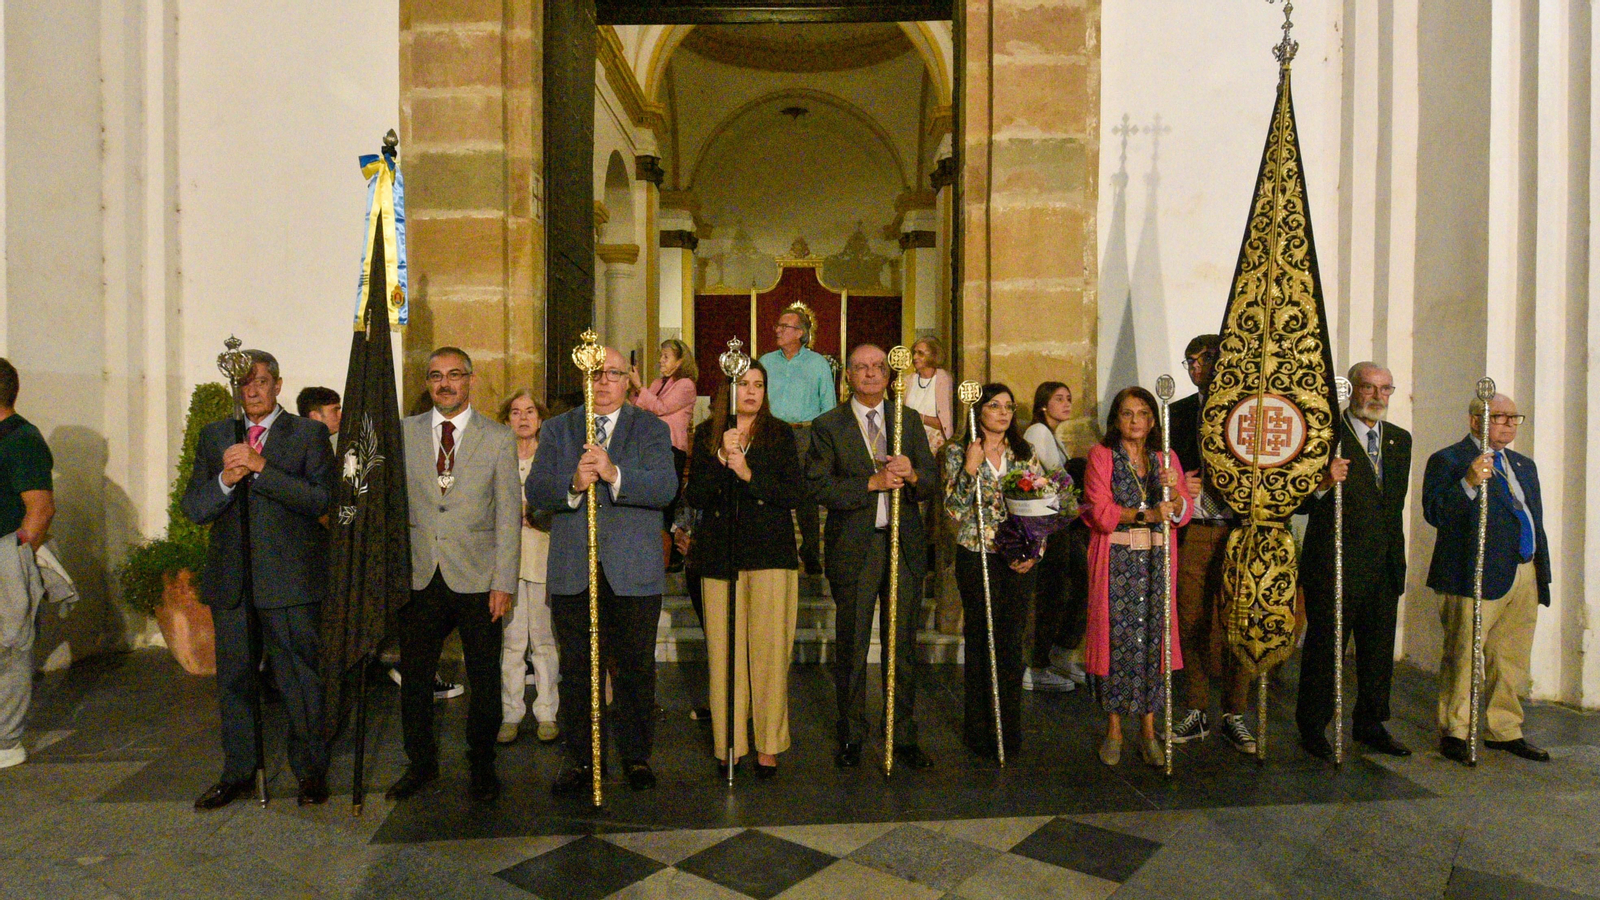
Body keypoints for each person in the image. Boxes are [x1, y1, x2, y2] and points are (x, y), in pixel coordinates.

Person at [180, 349, 335, 807]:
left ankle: (309, 772)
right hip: (234, 583)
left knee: (299, 680)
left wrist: (262, 468)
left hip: (289, 582)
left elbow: (320, 499)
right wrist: (227, 480)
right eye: (245, 383)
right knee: (235, 682)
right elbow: (194, 508)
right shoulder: (216, 437)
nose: (252, 390)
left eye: (261, 382)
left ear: (278, 386)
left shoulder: (307, 434)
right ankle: (239, 771)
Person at [527, 346, 678, 795]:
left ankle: (635, 755)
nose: (603, 381)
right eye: (595, 374)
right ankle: (581, 758)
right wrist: (573, 484)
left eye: (612, 373)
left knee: (634, 668)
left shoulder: (649, 427)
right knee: (576, 669)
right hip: (575, 569)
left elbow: (665, 486)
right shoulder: (558, 429)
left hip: (633, 571)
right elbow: (536, 491)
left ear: (628, 380)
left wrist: (614, 475)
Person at [387, 347, 521, 804]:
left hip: (479, 578)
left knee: (484, 677)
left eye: (454, 375)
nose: (445, 383)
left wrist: (504, 580)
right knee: (416, 678)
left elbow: (508, 514)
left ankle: (482, 765)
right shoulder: (402, 434)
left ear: (470, 380)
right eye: (435, 376)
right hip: (420, 575)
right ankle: (420, 763)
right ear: (427, 383)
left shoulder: (498, 438)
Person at [806, 343, 939, 771]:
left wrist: (913, 474)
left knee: (902, 645)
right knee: (853, 644)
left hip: (903, 546)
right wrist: (873, 482)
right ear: (847, 375)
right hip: (855, 547)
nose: (870, 374)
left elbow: (932, 482)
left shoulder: (909, 420)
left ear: (888, 373)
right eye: (860, 368)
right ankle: (851, 734)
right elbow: (819, 486)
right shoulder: (829, 424)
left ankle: (901, 734)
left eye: (877, 367)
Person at [685, 361, 804, 778]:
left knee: (770, 653)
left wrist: (748, 472)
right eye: (742, 384)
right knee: (725, 655)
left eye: (758, 384)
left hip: (770, 554)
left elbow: (792, 492)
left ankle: (769, 743)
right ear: (728, 390)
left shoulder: (780, 434)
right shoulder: (706, 434)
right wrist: (720, 457)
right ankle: (729, 742)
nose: (750, 392)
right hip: (721, 557)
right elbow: (696, 495)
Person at [1424, 391, 1551, 765]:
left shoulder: (1523, 465)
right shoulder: (1449, 459)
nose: (1510, 424)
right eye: (1500, 416)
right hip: (1471, 573)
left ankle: (1504, 729)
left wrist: (1540, 569)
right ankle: (1456, 730)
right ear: (1475, 420)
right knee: (1464, 654)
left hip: (1523, 570)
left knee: (1510, 657)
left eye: (1514, 418)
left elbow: (1531, 518)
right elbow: (1436, 512)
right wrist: (1467, 482)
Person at [1296, 362, 1413, 759]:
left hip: (1383, 563)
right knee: (1326, 648)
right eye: (1369, 388)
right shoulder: (1324, 439)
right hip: (1335, 562)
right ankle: (1313, 727)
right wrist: (1325, 483)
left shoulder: (1400, 440)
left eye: (1386, 389)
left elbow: (1390, 507)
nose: (1377, 397)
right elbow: (1299, 503)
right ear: (1352, 390)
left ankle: (1370, 722)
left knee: (1378, 649)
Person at [1080, 387, 1191, 768]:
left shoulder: (1165, 457)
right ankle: (1114, 730)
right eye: (1127, 414)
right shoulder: (1102, 455)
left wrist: (1175, 495)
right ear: (1116, 419)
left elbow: (1182, 510)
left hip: (1157, 562)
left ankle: (1148, 731)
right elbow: (1098, 507)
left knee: (1153, 641)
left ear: (1152, 419)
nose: (1135, 421)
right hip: (1116, 561)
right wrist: (1145, 515)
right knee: (1117, 640)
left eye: (1143, 413)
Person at [1166, 334, 1257, 754]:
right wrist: (1178, 485)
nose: (1196, 367)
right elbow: (1162, 470)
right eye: (1190, 362)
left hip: (1242, 529)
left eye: (1203, 359)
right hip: (1197, 526)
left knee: (1240, 619)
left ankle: (1234, 712)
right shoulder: (1178, 413)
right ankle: (1197, 707)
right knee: (1191, 617)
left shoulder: (1251, 409)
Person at [942, 383, 1041, 760]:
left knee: (1011, 642)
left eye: (1008, 407)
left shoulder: (1024, 452)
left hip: (1018, 556)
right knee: (983, 639)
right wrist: (969, 469)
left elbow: (1040, 504)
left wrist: (1034, 549)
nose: (1002, 413)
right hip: (977, 552)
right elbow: (953, 510)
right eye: (994, 406)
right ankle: (980, 730)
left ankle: (1009, 730)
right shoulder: (958, 450)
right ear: (979, 411)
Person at [0, 359, 55, 771]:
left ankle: (6, 741)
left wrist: (16, 550)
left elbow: (40, 508)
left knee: (10, 647)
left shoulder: (22, 439)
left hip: (4, 553)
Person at [497, 391, 559, 746]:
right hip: (508, 561)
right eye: (515, 412)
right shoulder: (498, 456)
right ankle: (511, 713)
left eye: (530, 411)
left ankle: (547, 712)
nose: (522, 418)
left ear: (540, 418)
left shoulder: (549, 458)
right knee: (512, 642)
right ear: (507, 419)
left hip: (542, 555)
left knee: (544, 641)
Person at [759, 306, 837, 574]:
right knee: (769, 489)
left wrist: (826, 442)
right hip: (772, 433)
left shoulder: (817, 363)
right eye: (778, 326)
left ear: (800, 333)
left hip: (806, 433)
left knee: (806, 495)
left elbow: (828, 405)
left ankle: (812, 552)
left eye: (785, 326)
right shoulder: (766, 362)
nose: (778, 330)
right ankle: (773, 548)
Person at [1021, 381, 1080, 693]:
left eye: (1069, 398)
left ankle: (1056, 653)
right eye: (1059, 398)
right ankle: (1037, 664)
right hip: (1047, 522)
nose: (1066, 403)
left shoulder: (1051, 434)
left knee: (1070, 585)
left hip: (1060, 520)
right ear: (1043, 404)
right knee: (1049, 593)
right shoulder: (1038, 432)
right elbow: (1058, 476)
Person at [629, 339, 698, 567]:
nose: (661, 360)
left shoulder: (686, 385)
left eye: (666, 356)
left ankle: (668, 555)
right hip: (651, 446)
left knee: (667, 501)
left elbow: (660, 407)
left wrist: (640, 388)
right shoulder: (658, 382)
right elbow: (639, 407)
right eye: (661, 356)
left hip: (672, 447)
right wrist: (632, 389)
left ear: (680, 361)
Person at [905, 338, 954, 453]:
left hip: (934, 443)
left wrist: (916, 417)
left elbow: (943, 423)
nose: (915, 357)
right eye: (914, 353)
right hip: (910, 440)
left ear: (934, 355)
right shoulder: (908, 380)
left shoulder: (944, 379)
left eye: (920, 353)